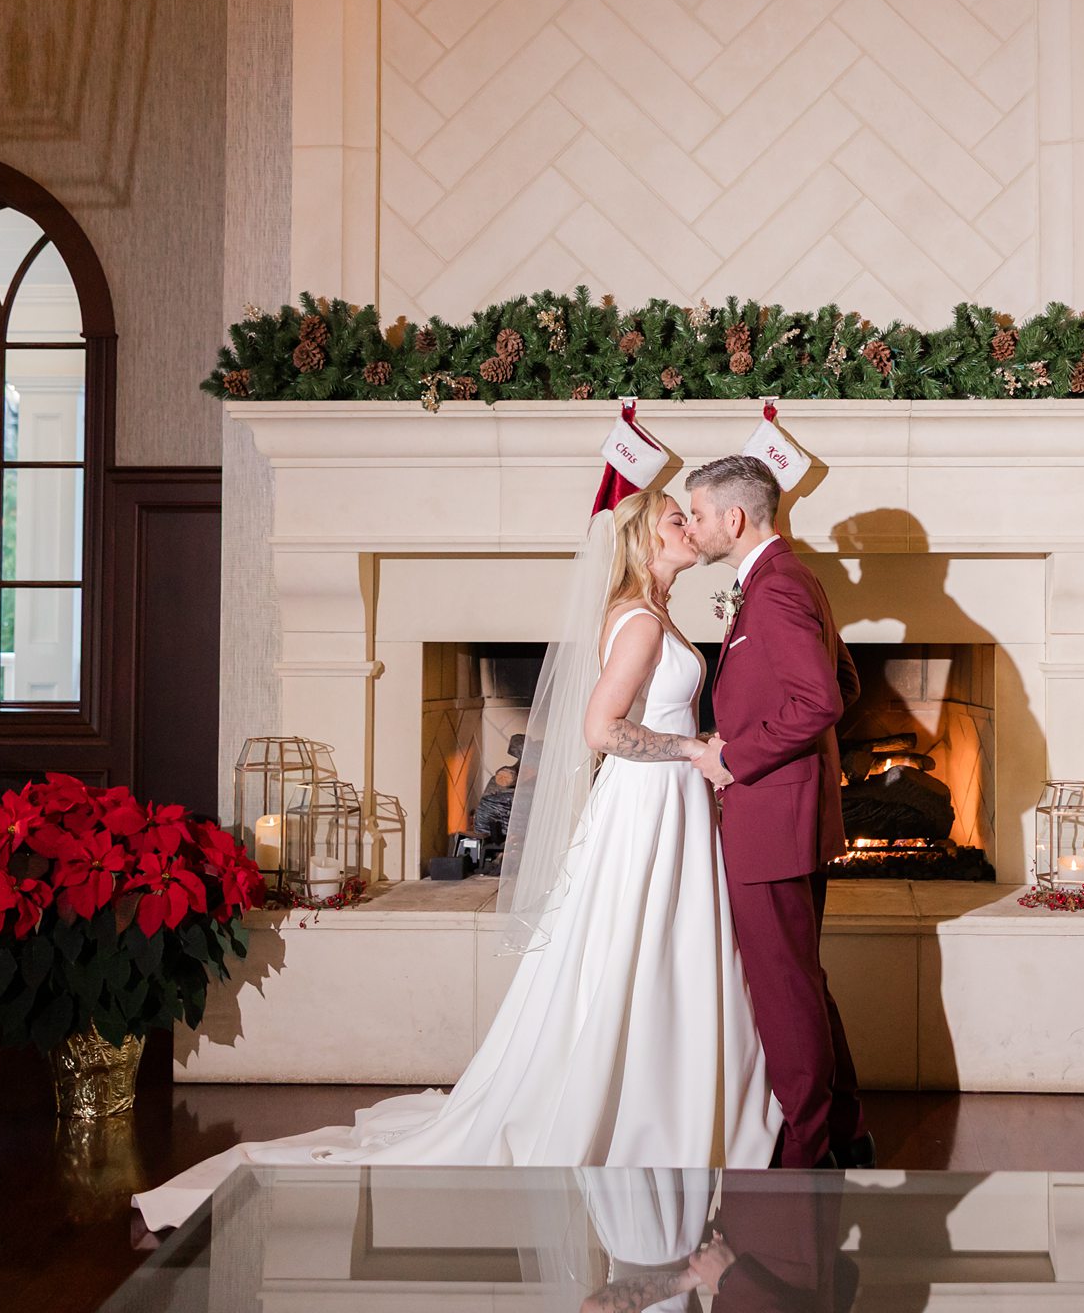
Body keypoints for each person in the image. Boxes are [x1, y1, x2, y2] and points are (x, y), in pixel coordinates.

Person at [132, 490, 779, 1230]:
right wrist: (693, 749)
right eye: (675, 518)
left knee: (659, 949)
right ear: (639, 540)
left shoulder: (656, 613)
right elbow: (601, 730)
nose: (689, 527)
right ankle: (639, 1104)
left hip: (667, 806)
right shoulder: (636, 621)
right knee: (636, 947)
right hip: (648, 807)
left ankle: (665, 1092)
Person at [684, 456, 871, 1171]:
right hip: (789, 816)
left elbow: (821, 701)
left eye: (698, 515)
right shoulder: (787, 579)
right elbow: (843, 682)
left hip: (769, 821)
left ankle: (807, 1148)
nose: (693, 527)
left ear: (733, 519)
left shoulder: (776, 590)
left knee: (783, 988)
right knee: (801, 979)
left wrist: (738, 757)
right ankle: (847, 1128)